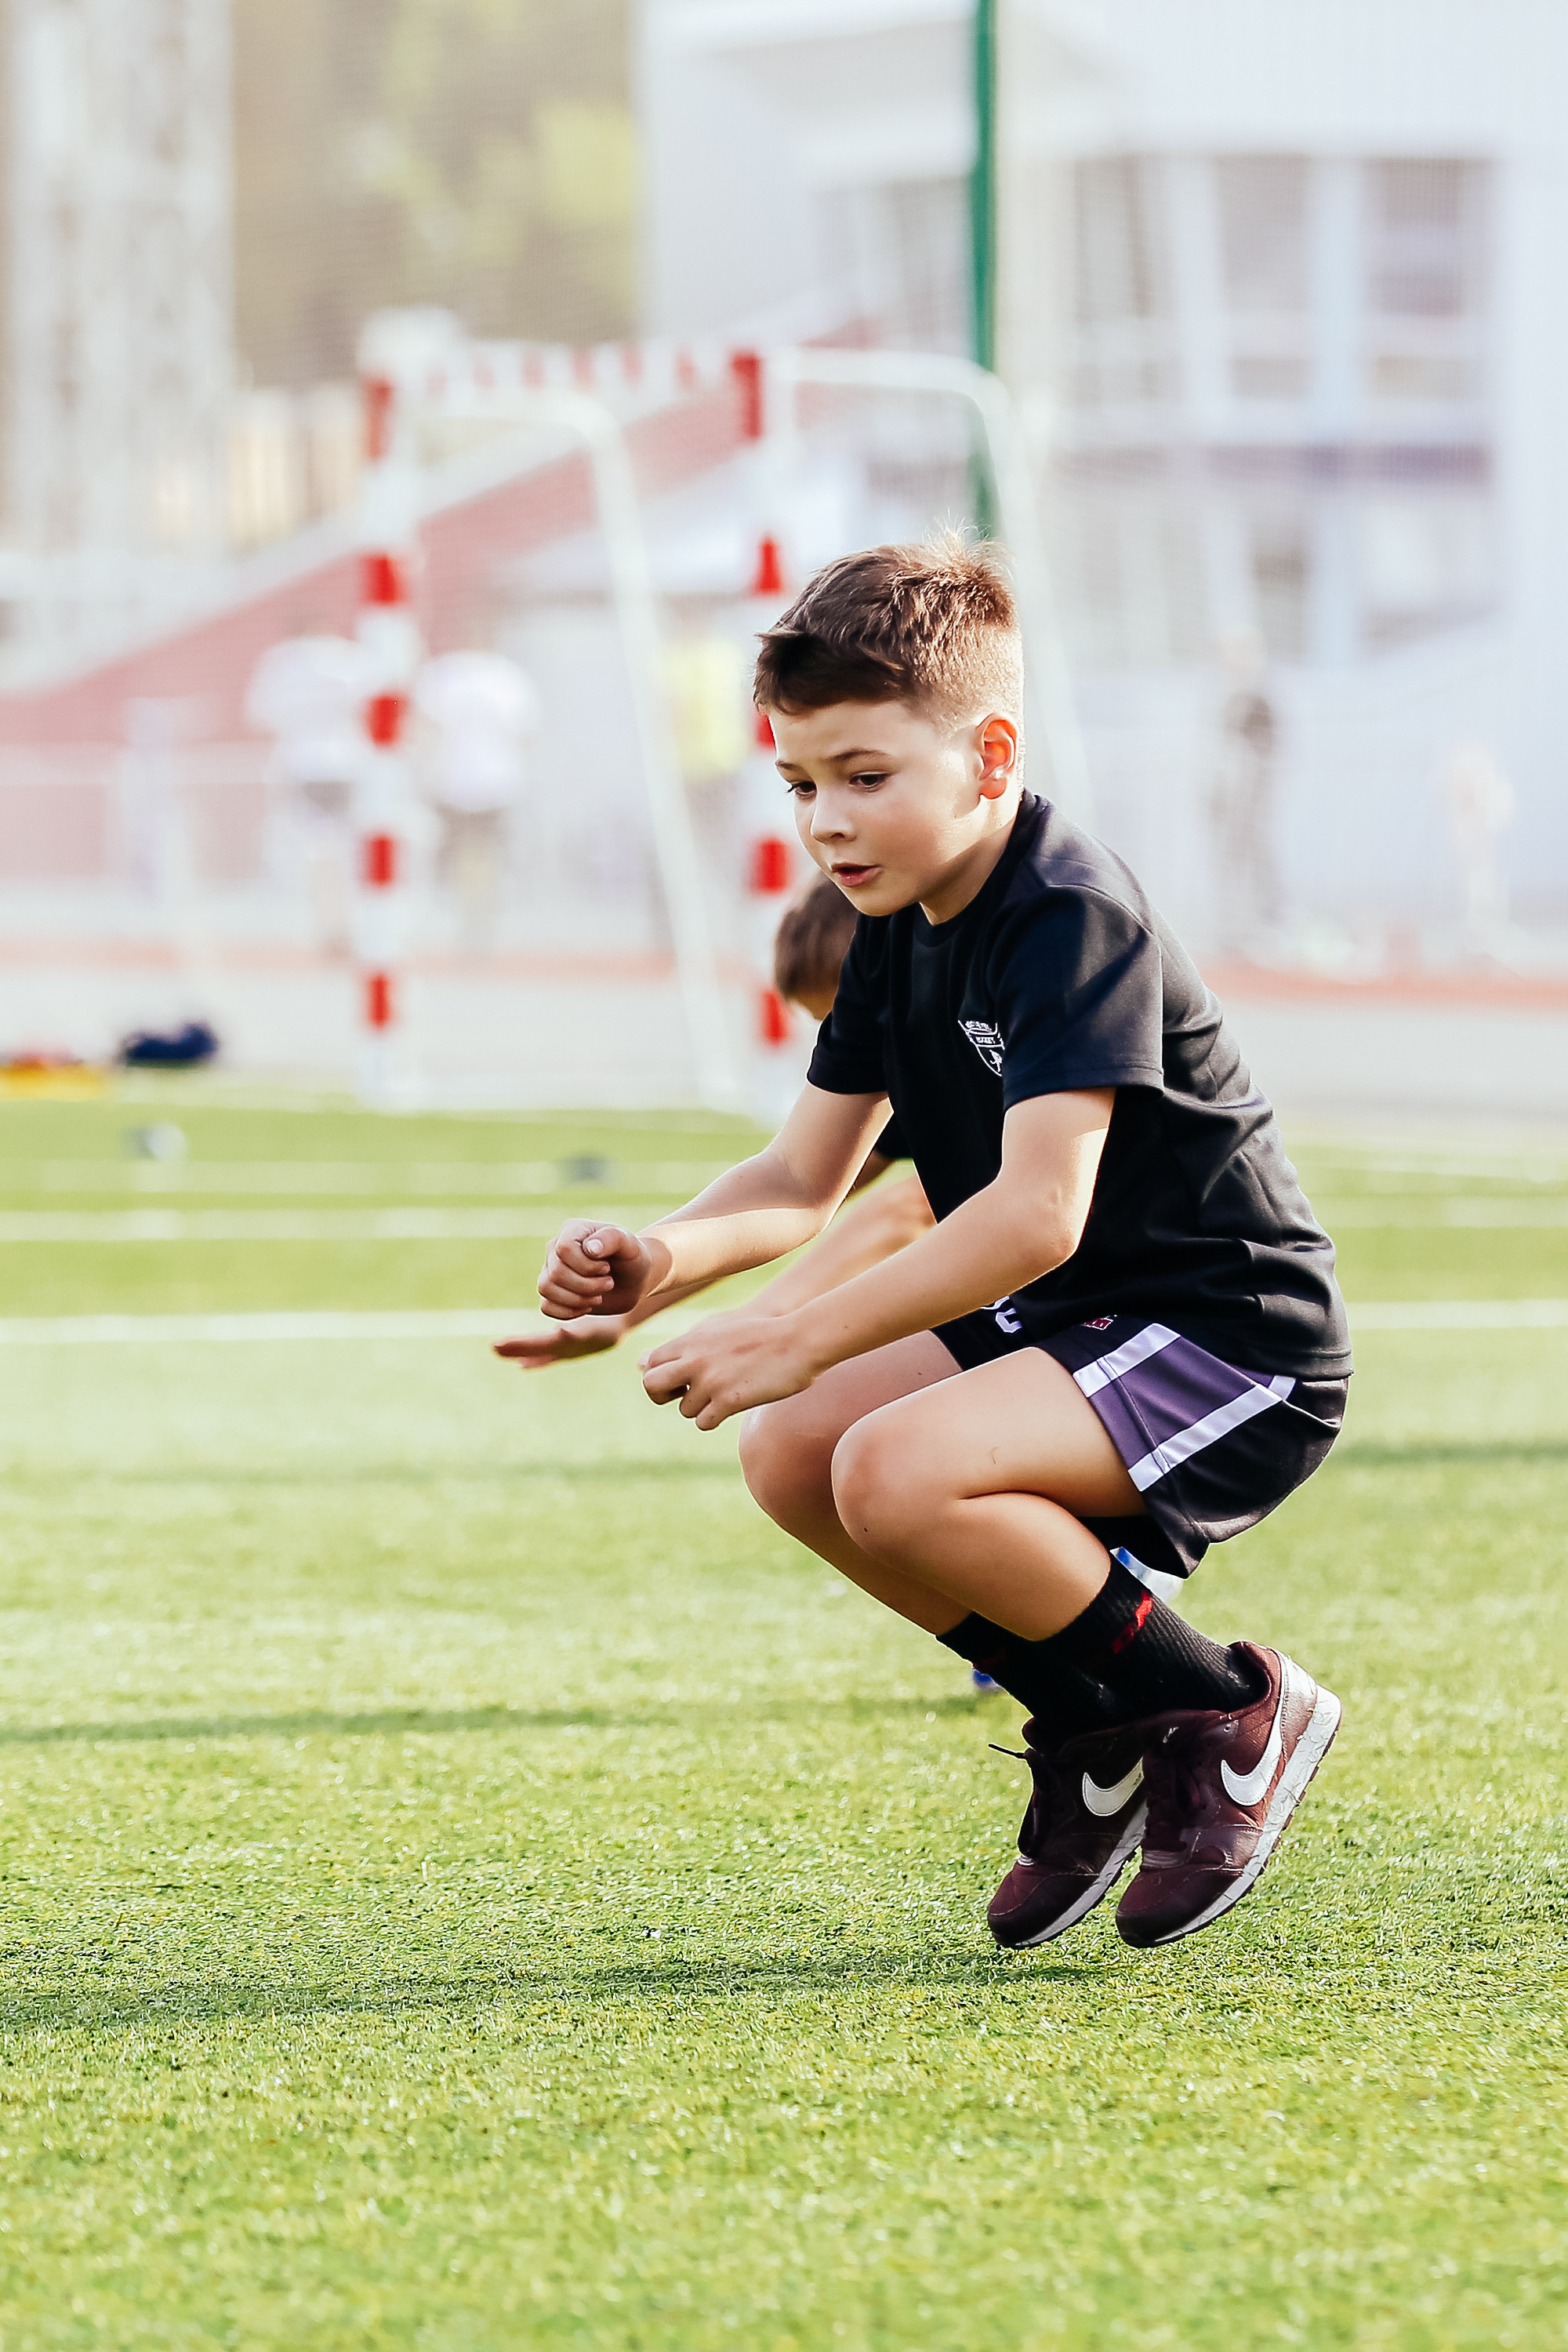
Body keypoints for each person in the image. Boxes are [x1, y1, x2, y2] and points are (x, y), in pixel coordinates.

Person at [534, 536, 1352, 1955]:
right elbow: (802, 1173)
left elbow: (1038, 1214)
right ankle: (1098, 1733)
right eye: (800, 785)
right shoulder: (895, 924)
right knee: (790, 1454)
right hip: (1077, 1321)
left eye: (865, 777)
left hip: (1225, 1333)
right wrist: (656, 1261)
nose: (828, 822)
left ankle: (1225, 1708)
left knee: (890, 1465)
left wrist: (793, 1333)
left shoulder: (1068, 915)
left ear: (989, 754)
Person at [496, 877, 996, 1698]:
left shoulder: (985, 1023)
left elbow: (911, 1208)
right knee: (802, 1439)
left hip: (1136, 1309)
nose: (835, 1043)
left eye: (838, 1015)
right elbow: (794, 1190)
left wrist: (773, 1329)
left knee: (882, 1439)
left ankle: (1102, 1585)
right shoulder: (899, 1066)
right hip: (1034, 1300)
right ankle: (1050, 1657)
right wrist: (625, 1306)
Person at [415, 649, 540, 950]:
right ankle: (475, 915)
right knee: (476, 853)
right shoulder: (503, 677)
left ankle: (475, 916)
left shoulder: (451, 675)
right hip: (478, 782)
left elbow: (426, 728)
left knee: (473, 853)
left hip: (471, 782)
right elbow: (527, 732)